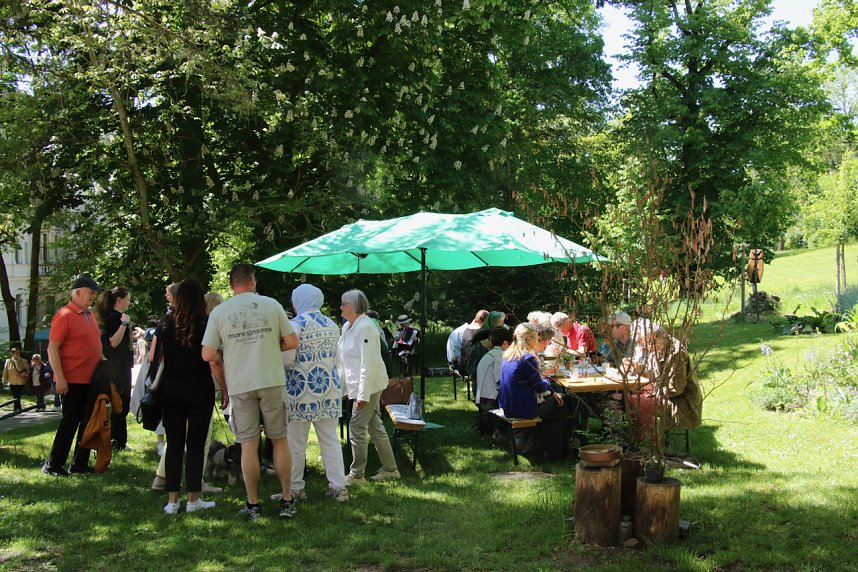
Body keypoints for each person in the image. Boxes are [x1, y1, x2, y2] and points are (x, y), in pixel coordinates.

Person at [201, 264, 299, 520]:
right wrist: (268, 344)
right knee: (279, 439)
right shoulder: (272, 305)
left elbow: (208, 354)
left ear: (232, 285)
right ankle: (287, 500)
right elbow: (291, 342)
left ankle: (253, 503)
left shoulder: (220, 312)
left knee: (248, 445)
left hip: (241, 384)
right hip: (271, 379)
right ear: (252, 282)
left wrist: (228, 358)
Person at [159, 278, 227, 514]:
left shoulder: (166, 322)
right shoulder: (206, 323)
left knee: (175, 443)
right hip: (198, 387)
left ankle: (172, 500)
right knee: (196, 445)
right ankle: (193, 499)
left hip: (171, 387)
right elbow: (213, 359)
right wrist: (225, 388)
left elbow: (159, 356)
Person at [282, 284, 348, 503]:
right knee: (330, 441)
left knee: (296, 444)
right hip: (328, 388)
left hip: (300, 392)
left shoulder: (295, 325)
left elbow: (288, 360)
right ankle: (339, 487)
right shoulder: (331, 324)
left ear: (299, 301)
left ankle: (295, 488)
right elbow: (337, 358)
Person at [42, 276, 104, 476]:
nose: (93, 296)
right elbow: (53, 349)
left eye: (95, 293)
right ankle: (53, 464)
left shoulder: (89, 314)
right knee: (70, 421)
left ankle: (79, 464)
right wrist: (59, 378)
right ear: (77, 292)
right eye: (90, 292)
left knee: (88, 422)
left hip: (91, 379)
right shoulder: (65, 314)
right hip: (73, 379)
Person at [338, 289, 400, 486]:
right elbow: (343, 360)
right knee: (375, 427)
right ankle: (391, 469)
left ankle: (357, 475)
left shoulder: (365, 327)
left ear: (354, 306)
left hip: (368, 386)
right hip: (359, 386)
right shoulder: (348, 326)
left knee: (356, 426)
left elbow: (368, 363)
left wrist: (362, 395)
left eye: (343, 303)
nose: (340, 307)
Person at [498, 323, 573, 461]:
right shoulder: (527, 358)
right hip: (522, 409)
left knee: (557, 405)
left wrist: (550, 389)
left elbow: (537, 383)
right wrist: (551, 388)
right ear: (528, 340)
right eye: (537, 339)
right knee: (564, 403)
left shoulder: (508, 356)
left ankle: (549, 449)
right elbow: (540, 386)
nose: (538, 342)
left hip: (508, 406)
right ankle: (558, 453)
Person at [96, 287, 134, 451]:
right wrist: (124, 323)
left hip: (122, 366)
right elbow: (113, 342)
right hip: (117, 367)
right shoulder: (115, 317)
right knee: (120, 403)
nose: (129, 302)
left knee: (122, 403)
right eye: (128, 299)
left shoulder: (115, 317)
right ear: (119, 300)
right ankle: (115, 440)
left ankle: (118, 440)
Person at [474, 327, 513, 438]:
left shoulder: (491, 354)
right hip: (489, 399)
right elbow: (500, 380)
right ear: (505, 343)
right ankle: (501, 432)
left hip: (482, 396)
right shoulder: (499, 356)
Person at [458, 309, 488, 375]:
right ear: (481, 320)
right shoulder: (479, 333)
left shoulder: (467, 330)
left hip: (461, 365)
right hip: (469, 367)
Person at [3, 346, 30, 412]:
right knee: (15, 395)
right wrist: (4, 380)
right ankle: (17, 408)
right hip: (12, 381)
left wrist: (25, 373)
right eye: (16, 353)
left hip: (21, 381)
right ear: (13, 354)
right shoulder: (8, 361)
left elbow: (28, 369)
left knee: (18, 395)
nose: (18, 354)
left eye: (18, 353)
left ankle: (17, 408)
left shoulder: (23, 361)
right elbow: (5, 371)